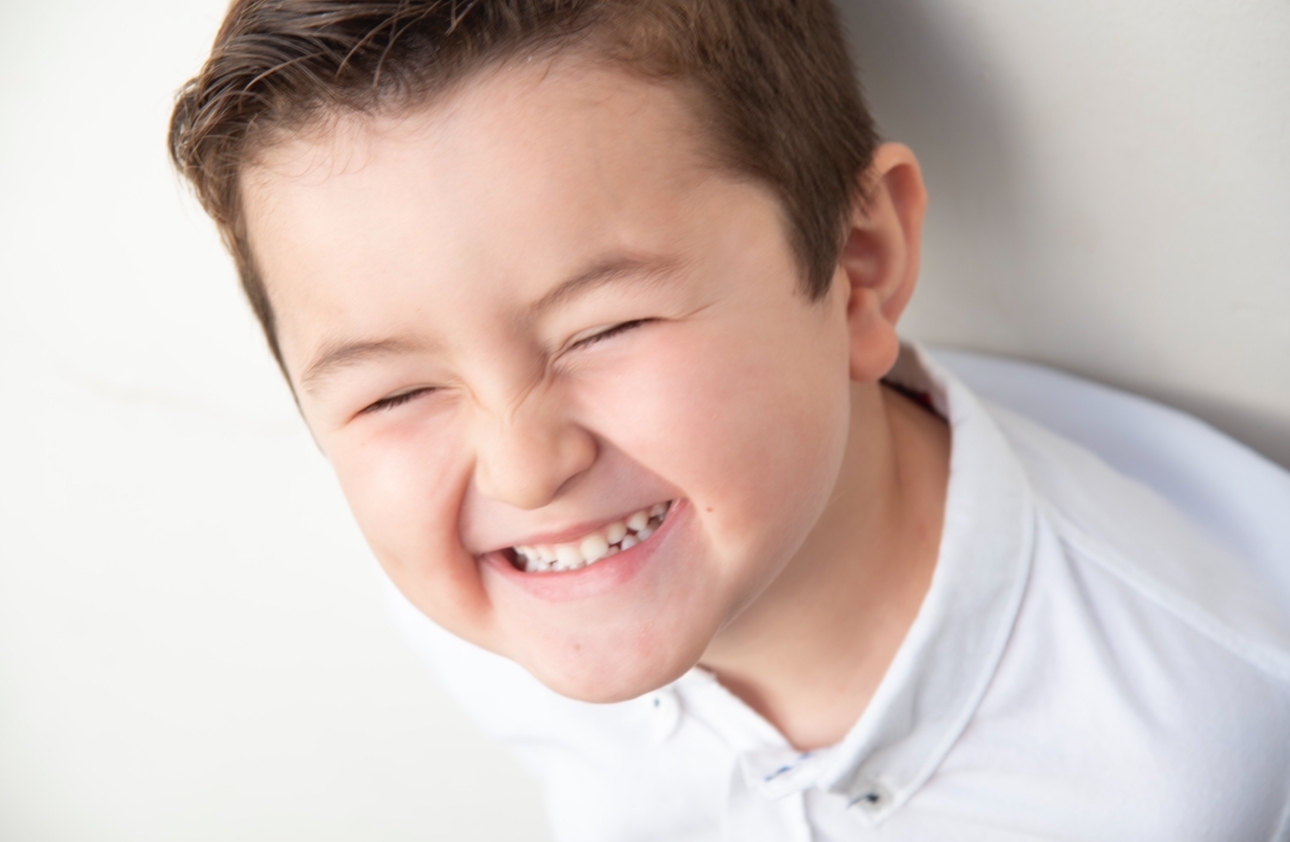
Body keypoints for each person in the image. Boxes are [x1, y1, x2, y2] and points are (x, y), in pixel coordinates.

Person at [168, 1, 1290, 838]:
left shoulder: (1208, 741)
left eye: (606, 327)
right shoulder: (494, 604)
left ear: (859, 268)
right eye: (395, 393)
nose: (521, 469)